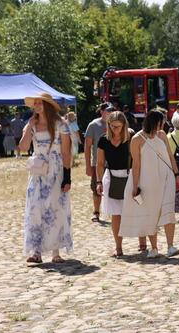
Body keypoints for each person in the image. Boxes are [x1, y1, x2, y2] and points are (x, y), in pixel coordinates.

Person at [119, 109, 179, 258]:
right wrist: (135, 186)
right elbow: (136, 165)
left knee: (168, 211)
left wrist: (177, 174)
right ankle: (154, 248)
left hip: (166, 178)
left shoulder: (162, 136)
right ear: (154, 122)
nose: (163, 124)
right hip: (147, 181)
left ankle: (171, 246)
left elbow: (170, 157)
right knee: (150, 213)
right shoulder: (137, 139)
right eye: (161, 122)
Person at [19, 93, 73, 263]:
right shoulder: (32, 125)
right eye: (34, 103)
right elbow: (22, 147)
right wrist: (28, 127)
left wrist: (67, 177)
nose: (36, 106)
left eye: (39, 103)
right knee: (36, 209)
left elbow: (66, 152)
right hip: (38, 172)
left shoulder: (61, 124)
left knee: (55, 208)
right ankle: (36, 251)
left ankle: (56, 251)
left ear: (47, 105)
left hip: (56, 171)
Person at [95, 111, 138, 257]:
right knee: (116, 214)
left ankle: (143, 243)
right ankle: (118, 247)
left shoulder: (132, 138)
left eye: (118, 127)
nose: (115, 129)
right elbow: (100, 163)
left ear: (124, 125)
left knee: (136, 211)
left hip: (131, 176)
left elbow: (139, 160)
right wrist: (99, 181)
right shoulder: (103, 140)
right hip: (111, 178)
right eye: (112, 126)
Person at [84, 102, 115, 222]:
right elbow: (87, 147)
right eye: (108, 110)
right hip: (98, 163)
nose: (111, 113)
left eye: (112, 110)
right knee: (96, 188)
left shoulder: (115, 124)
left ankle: (115, 213)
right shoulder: (94, 125)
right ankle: (96, 212)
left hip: (113, 163)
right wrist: (88, 165)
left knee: (115, 188)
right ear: (102, 111)